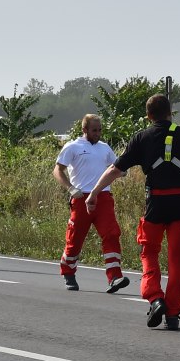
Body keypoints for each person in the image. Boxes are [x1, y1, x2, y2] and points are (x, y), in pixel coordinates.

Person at [86, 95, 180, 331]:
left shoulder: (141, 137)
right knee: (177, 259)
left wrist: (93, 192)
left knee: (149, 252)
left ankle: (155, 298)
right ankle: (173, 314)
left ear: (148, 115)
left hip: (156, 204)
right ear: (170, 113)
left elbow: (115, 169)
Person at [53, 114, 130, 293]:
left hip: (103, 198)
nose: (98, 133)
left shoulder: (105, 148)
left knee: (111, 234)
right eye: (94, 130)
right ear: (84, 130)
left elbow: (116, 167)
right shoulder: (73, 147)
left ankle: (115, 277)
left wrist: (121, 172)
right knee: (75, 240)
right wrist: (71, 189)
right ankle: (68, 272)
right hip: (80, 199)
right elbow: (57, 170)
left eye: (100, 130)